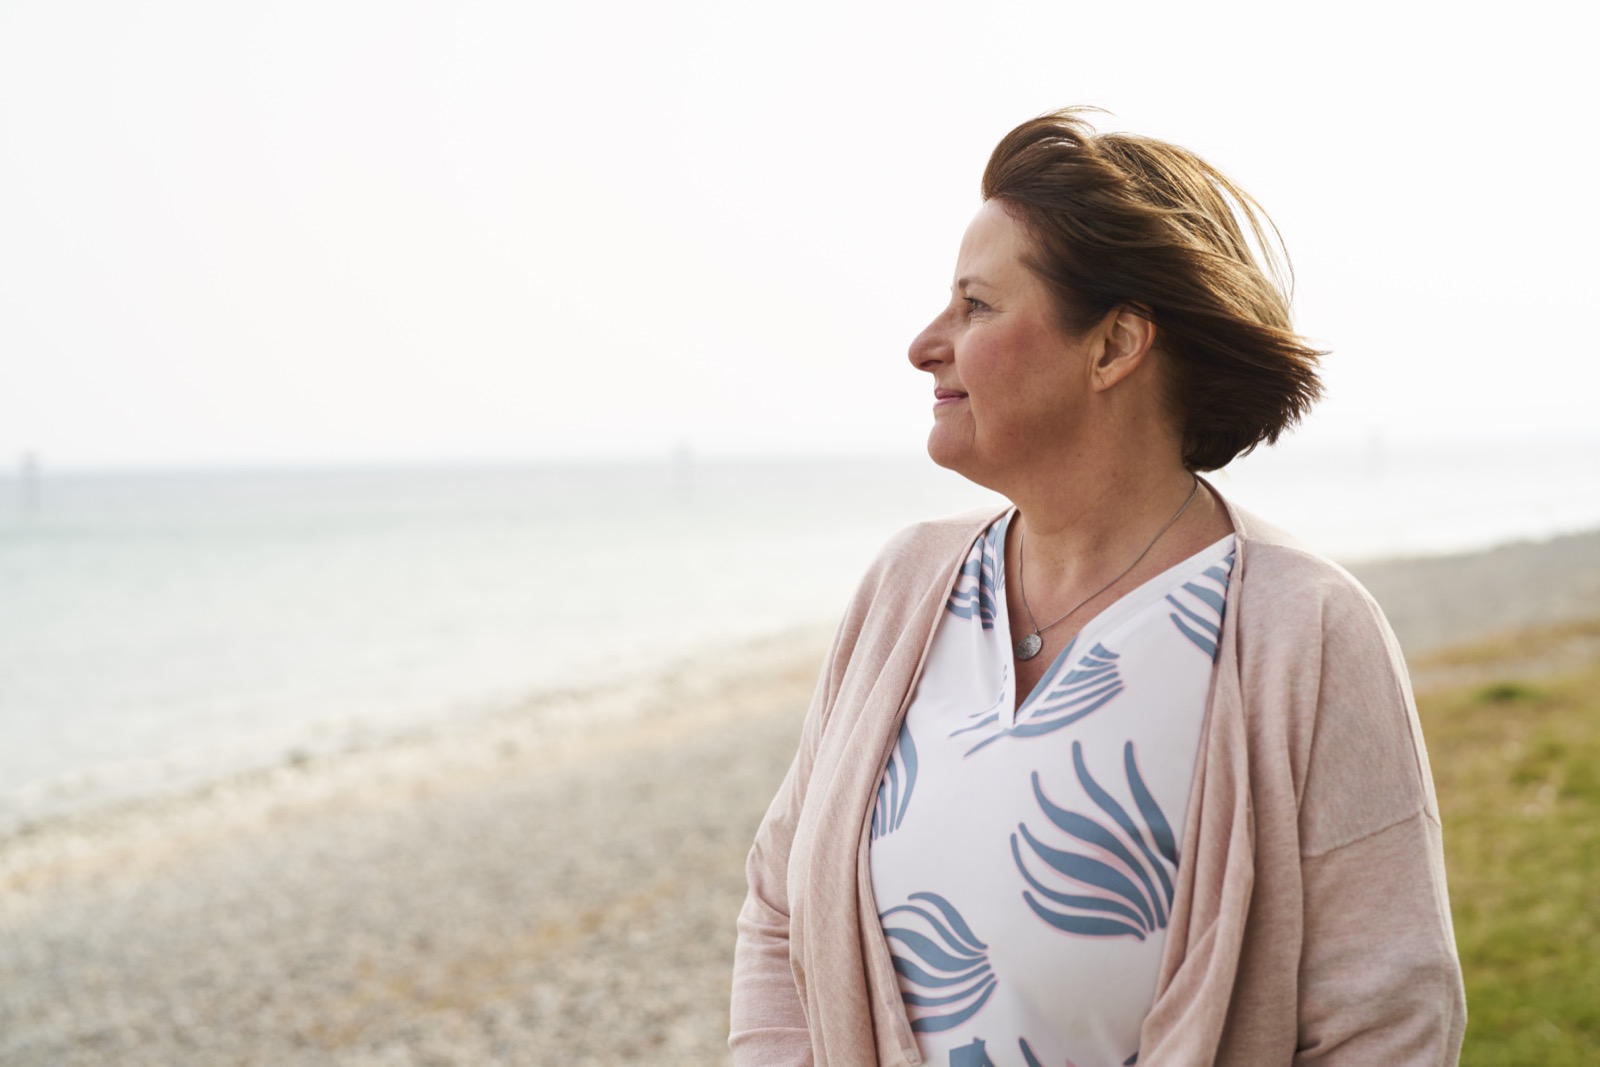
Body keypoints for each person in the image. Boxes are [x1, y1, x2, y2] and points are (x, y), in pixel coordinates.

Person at [729, 108, 1465, 1067]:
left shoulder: (1305, 632)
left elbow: (1387, 1020)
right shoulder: (904, 588)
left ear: (1114, 346)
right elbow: (782, 906)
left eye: (977, 306)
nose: (925, 343)